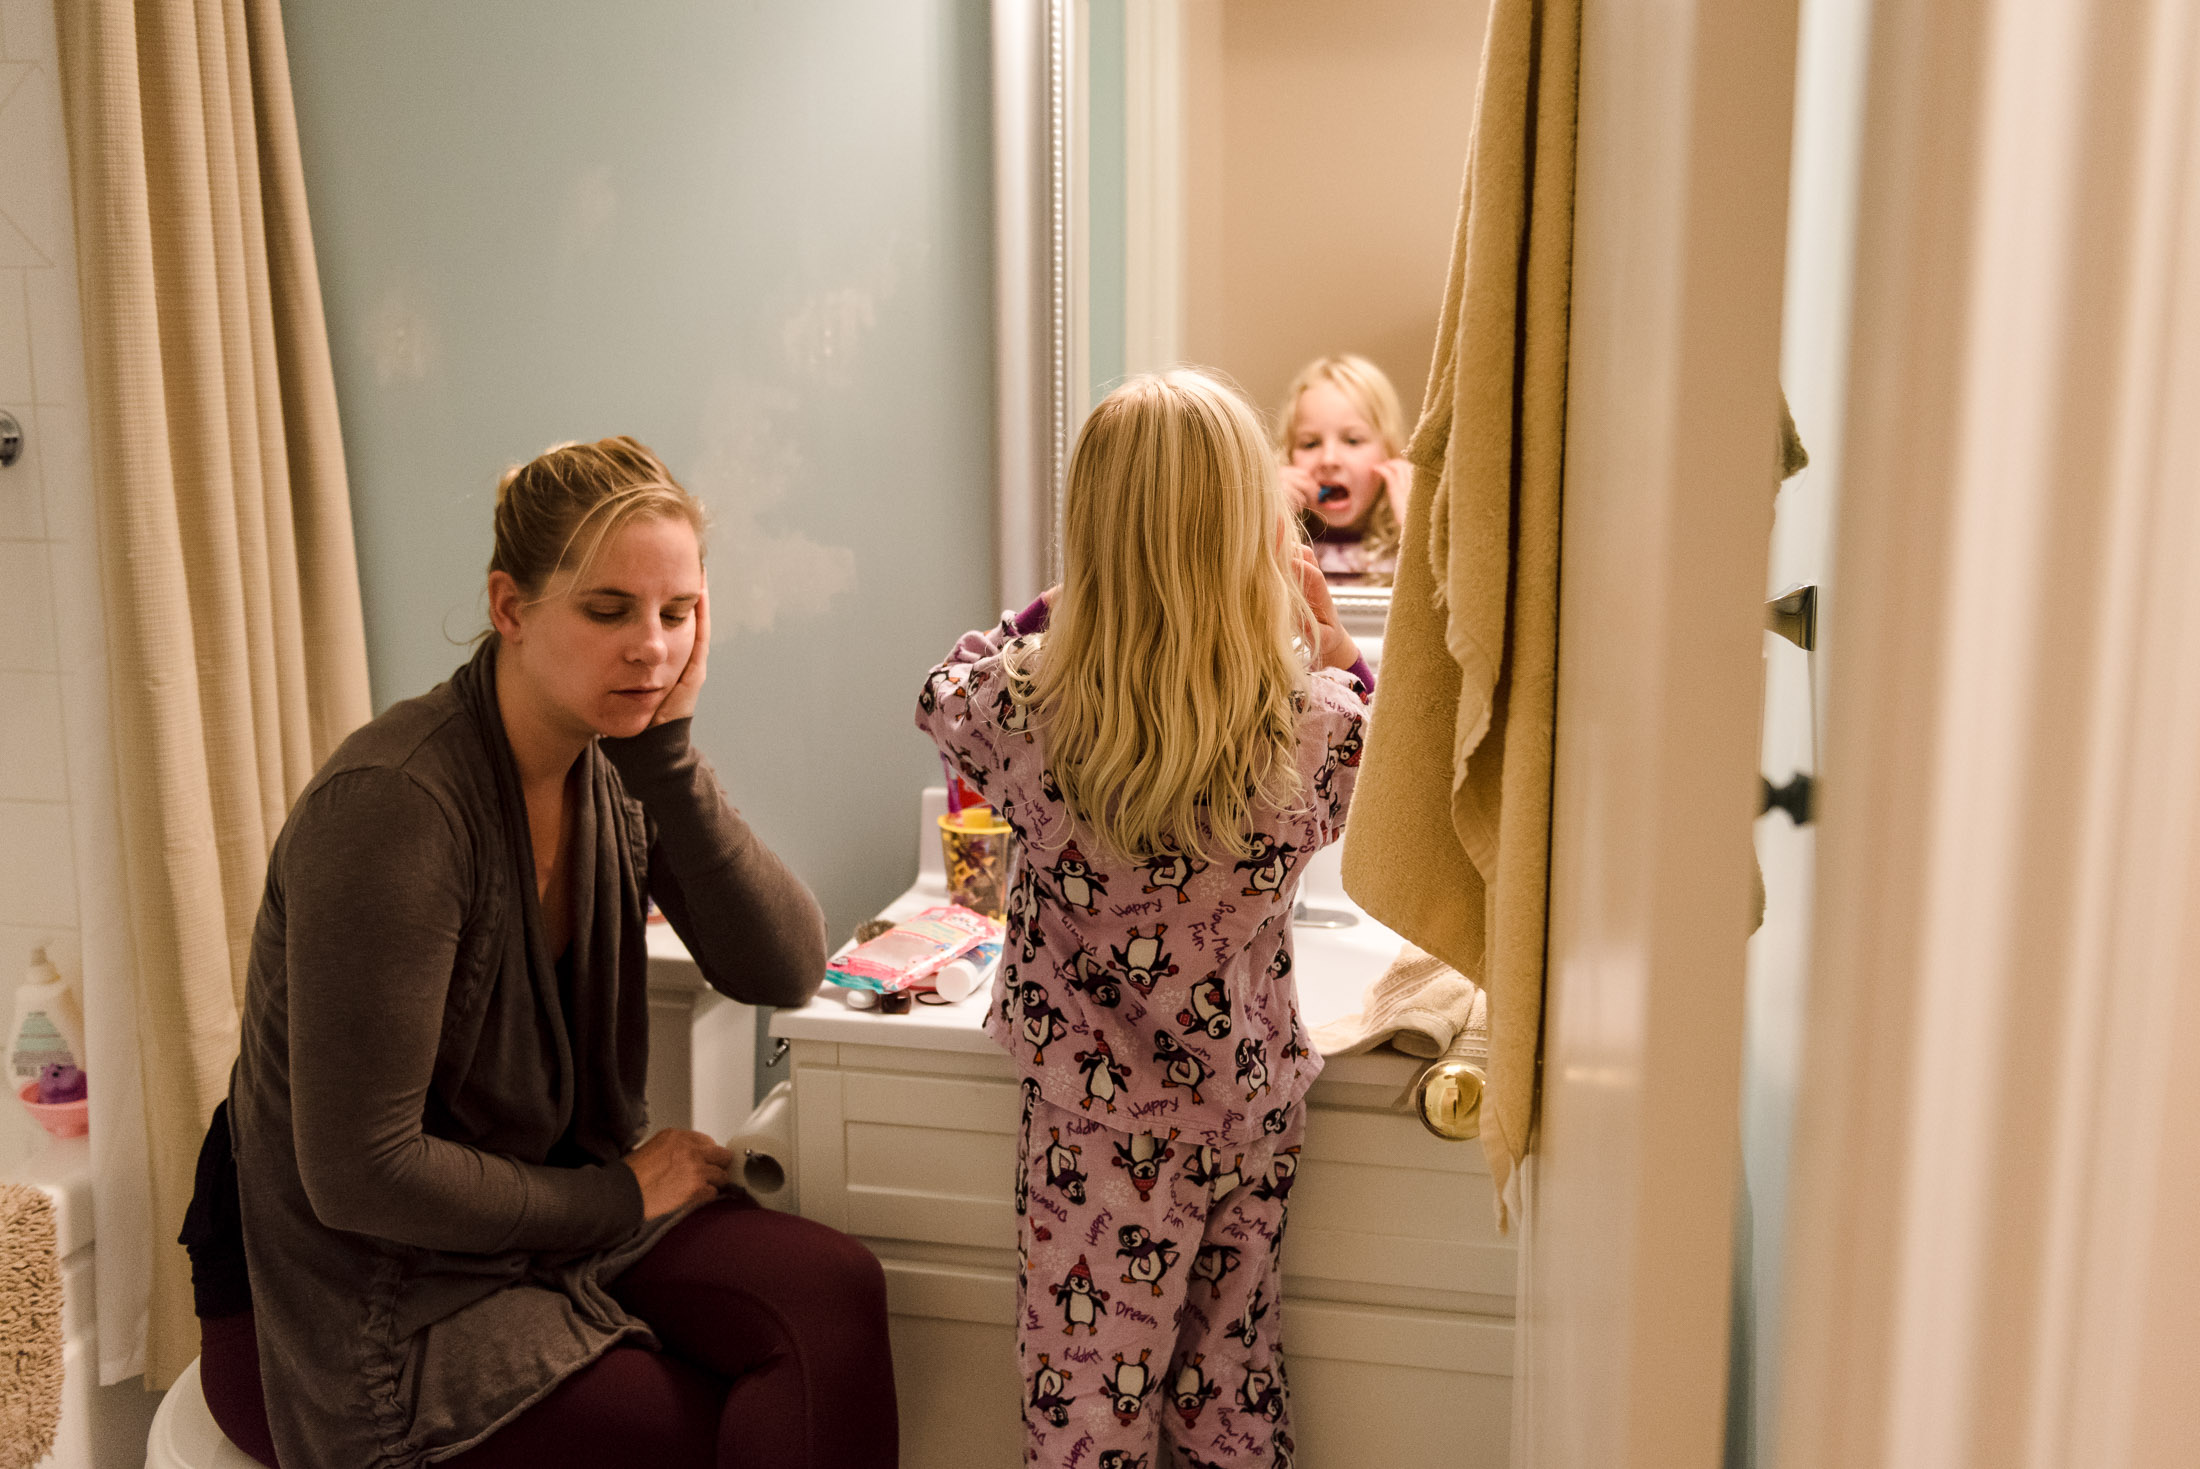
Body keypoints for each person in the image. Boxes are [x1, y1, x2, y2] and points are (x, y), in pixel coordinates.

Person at [181, 438, 898, 1469]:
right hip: (374, 1299)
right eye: (608, 610)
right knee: (692, 1430)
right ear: (509, 607)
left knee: (831, 1291)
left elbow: (783, 966)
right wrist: (618, 1194)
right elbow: (361, 1175)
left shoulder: (616, 770)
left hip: (547, 1230)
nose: (650, 647)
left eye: (677, 612)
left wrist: (669, 758)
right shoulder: (399, 807)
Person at [915, 371, 1371, 1468]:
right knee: (1232, 1385)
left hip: (1092, 1129)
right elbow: (1371, 725)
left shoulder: (1026, 712)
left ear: (1091, 544)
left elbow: (941, 688)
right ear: (1257, 534)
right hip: (1247, 1114)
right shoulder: (1306, 727)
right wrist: (1325, 630)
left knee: (1086, 1412)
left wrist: (1060, 607)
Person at [1276, 353, 1415, 585]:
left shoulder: (1406, 539)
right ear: (1289, 457)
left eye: (1352, 440)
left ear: (1389, 453)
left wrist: (1415, 527)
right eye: (1310, 443)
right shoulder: (1280, 542)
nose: (1329, 460)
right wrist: (1268, 520)